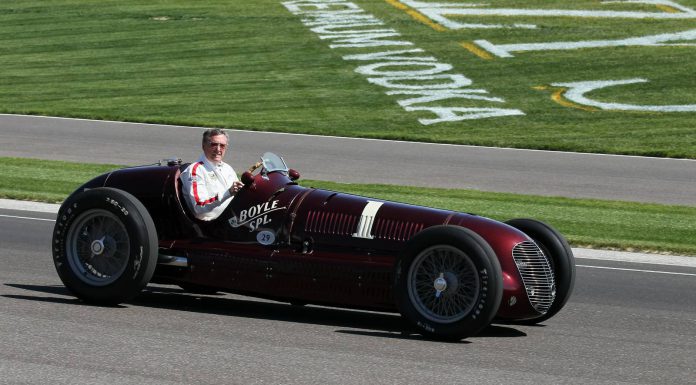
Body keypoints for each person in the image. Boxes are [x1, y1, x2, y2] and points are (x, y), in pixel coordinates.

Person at [180, 128, 245, 221]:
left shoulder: (227, 168)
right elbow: (199, 207)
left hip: (233, 218)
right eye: (214, 145)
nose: (218, 149)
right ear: (203, 146)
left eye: (222, 146)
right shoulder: (195, 170)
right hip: (211, 225)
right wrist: (228, 192)